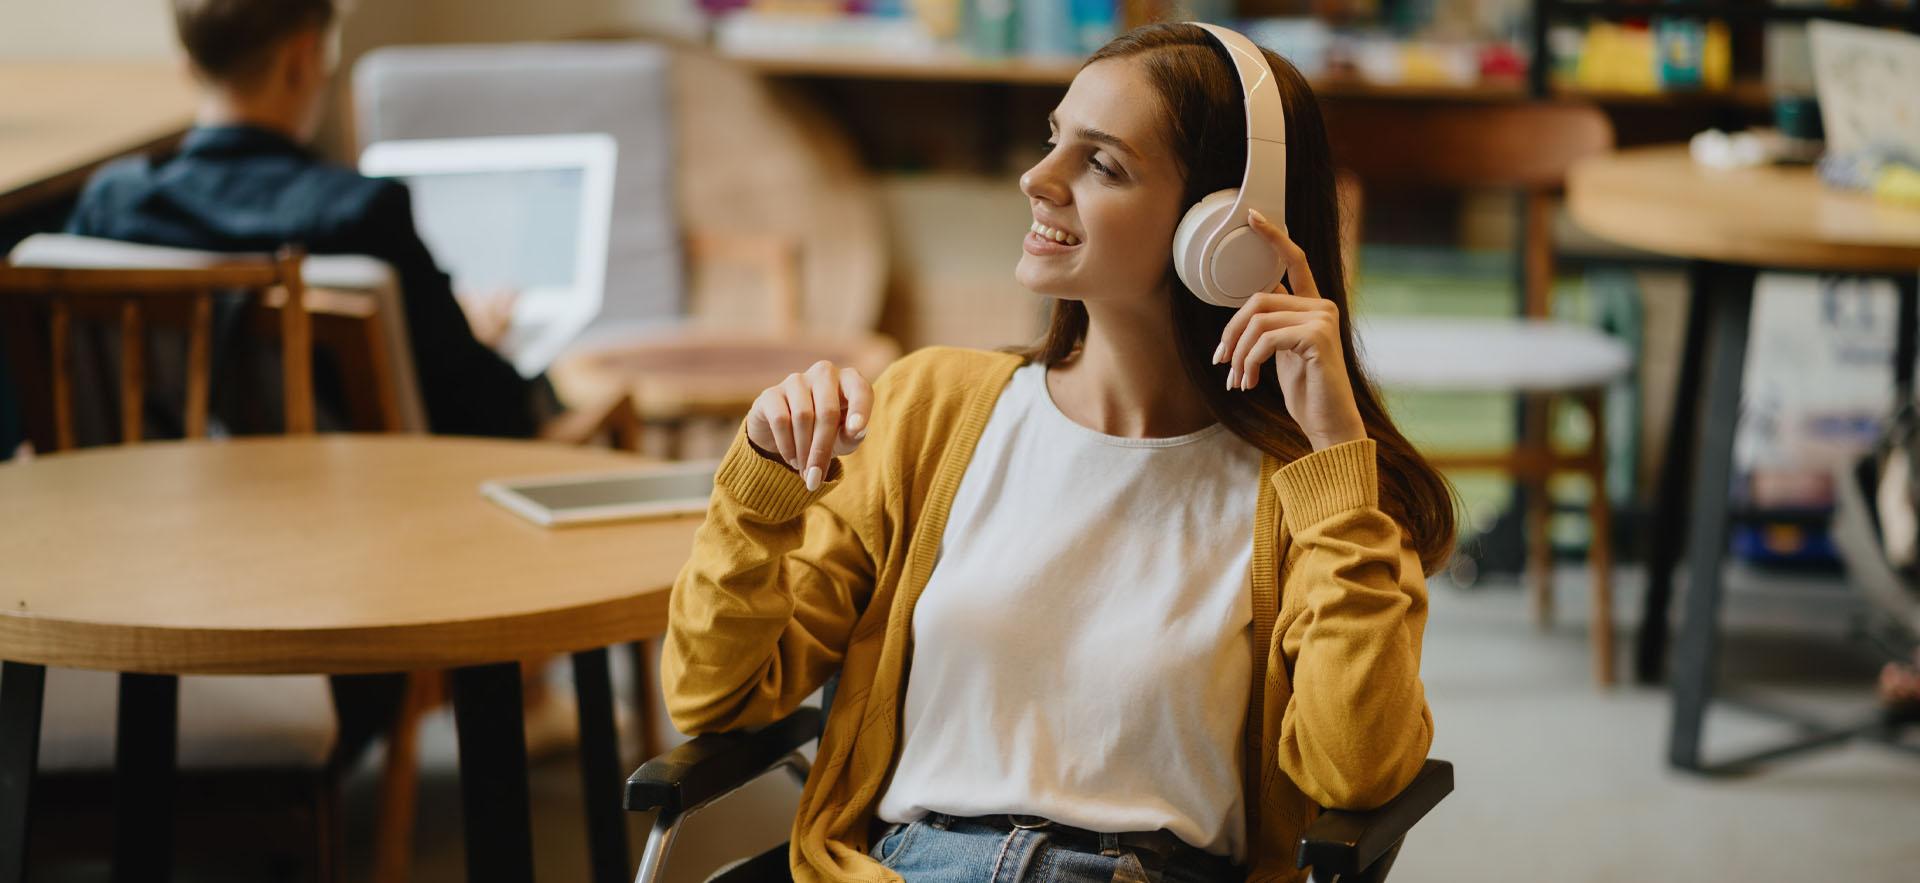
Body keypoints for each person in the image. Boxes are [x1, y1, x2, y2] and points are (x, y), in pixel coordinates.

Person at [661, 22, 1455, 883]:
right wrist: (762, 485)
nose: (1038, 180)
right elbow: (716, 697)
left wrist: (1338, 455)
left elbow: (1358, 770)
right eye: (1053, 140)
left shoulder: (1309, 494)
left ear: (1223, 228)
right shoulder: (928, 410)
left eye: (1102, 163)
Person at [66, 0, 539, 438]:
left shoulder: (112, 204)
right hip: (356, 513)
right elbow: (488, 416)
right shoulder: (360, 216)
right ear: (303, 60)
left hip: (155, 511)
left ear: (188, 67)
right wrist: (474, 340)